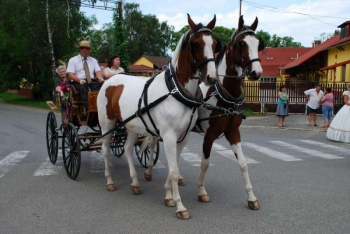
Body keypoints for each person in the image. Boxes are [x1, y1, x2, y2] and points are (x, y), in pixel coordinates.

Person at [66, 40, 103, 114]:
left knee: (101, 89)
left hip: (91, 81)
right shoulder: (73, 60)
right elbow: (71, 74)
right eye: (85, 49)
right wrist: (79, 80)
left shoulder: (93, 60)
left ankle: (100, 108)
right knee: (84, 88)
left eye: (88, 49)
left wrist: (100, 78)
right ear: (81, 49)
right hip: (78, 82)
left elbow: (98, 71)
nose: (87, 51)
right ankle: (87, 109)